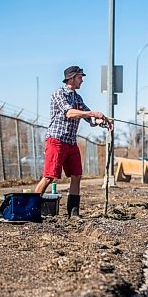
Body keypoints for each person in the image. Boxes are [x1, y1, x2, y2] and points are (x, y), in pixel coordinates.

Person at [34, 65, 112, 218]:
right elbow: (69, 113)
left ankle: (73, 213)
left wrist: (103, 121)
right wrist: (91, 113)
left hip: (71, 143)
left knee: (76, 176)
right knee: (49, 176)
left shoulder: (78, 98)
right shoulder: (59, 94)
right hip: (56, 140)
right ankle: (30, 208)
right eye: (80, 77)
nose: (82, 80)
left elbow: (90, 118)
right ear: (71, 78)